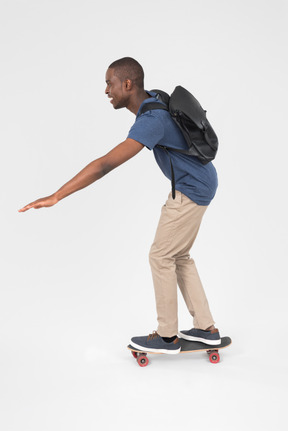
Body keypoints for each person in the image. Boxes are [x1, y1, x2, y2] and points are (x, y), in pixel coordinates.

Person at [19, 57, 220, 354]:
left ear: (127, 84)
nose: (106, 90)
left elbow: (104, 165)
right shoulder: (154, 100)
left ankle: (167, 337)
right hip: (201, 182)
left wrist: (56, 195)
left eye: (109, 83)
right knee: (178, 255)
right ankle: (206, 329)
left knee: (160, 256)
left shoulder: (152, 120)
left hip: (191, 189)